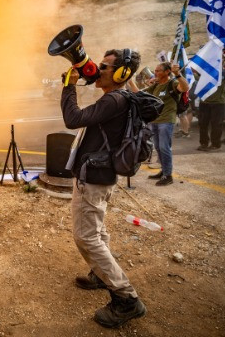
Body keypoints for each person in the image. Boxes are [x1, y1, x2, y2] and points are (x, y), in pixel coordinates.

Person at [62, 49, 146, 328]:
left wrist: (69, 86)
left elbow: (72, 119)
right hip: (99, 174)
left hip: (95, 177)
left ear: (122, 74)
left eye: (104, 67)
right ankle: (101, 273)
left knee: (86, 237)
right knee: (96, 230)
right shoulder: (116, 97)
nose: (97, 70)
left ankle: (126, 298)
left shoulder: (115, 98)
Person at [130, 62, 189, 186]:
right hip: (155, 121)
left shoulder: (172, 83)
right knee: (158, 147)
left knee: (164, 147)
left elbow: (185, 88)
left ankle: (168, 175)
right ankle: (163, 171)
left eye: (158, 71)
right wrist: (129, 80)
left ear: (167, 72)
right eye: (155, 70)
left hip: (166, 121)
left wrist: (177, 73)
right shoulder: (156, 85)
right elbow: (139, 94)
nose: (155, 73)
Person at [196, 67, 225, 151]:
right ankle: (204, 143)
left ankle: (216, 144)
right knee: (202, 124)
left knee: (216, 124)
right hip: (204, 102)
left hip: (218, 103)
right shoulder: (205, 72)